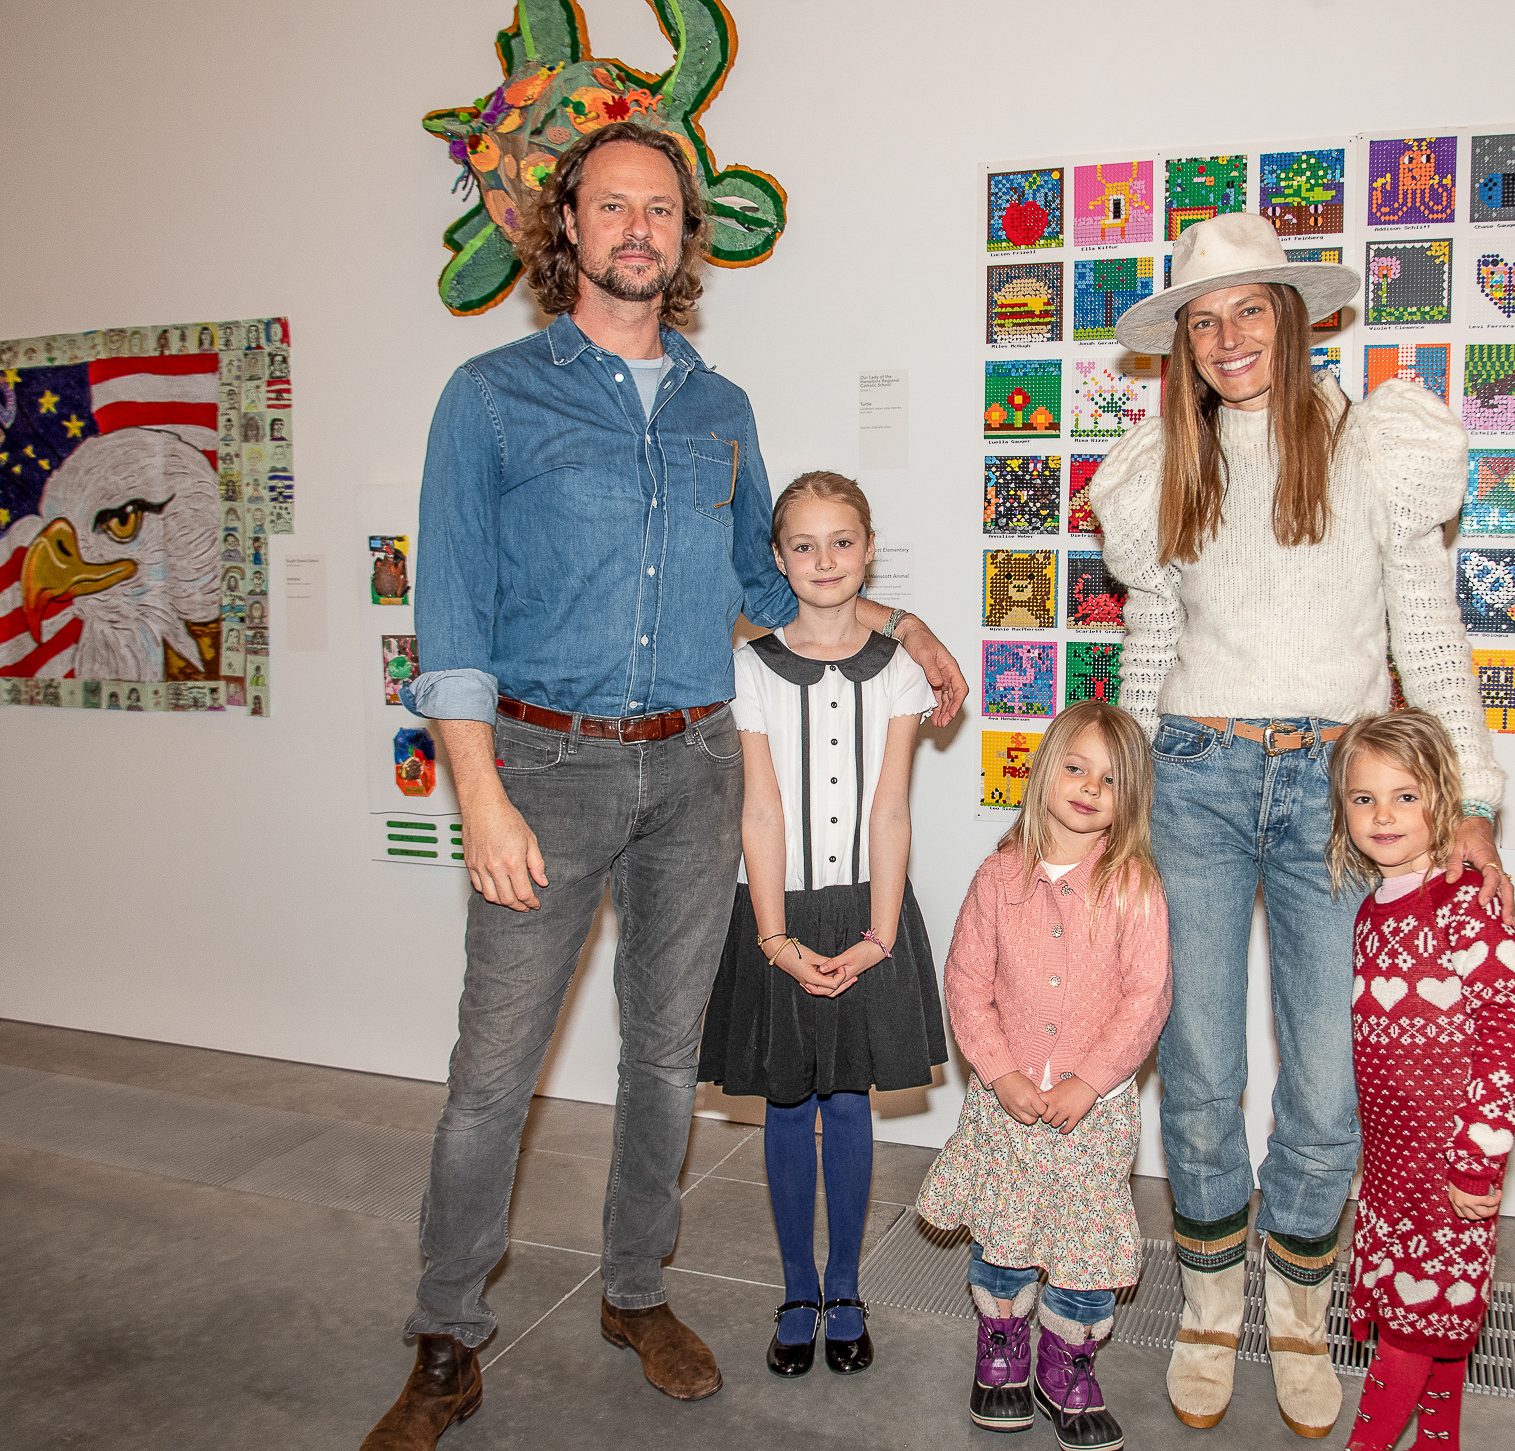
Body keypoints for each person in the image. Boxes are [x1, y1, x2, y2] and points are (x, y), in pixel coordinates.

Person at [365, 121, 963, 1451]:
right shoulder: (491, 393)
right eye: (614, 206)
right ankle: (448, 1331)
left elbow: (769, 586)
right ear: (567, 227)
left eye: (663, 211)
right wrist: (481, 791)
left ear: (688, 241)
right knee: (489, 1076)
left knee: (662, 1061)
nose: (639, 228)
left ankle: (636, 1289)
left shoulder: (720, 409)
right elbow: (449, 608)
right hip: (542, 767)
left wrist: (897, 620)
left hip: (695, 772)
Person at [1089, 212, 1513, 1438]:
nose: (1225, 338)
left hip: (1342, 790)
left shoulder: (1375, 442)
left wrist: (1469, 800)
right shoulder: (1169, 459)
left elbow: (1426, 634)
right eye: (1201, 320)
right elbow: (1152, 642)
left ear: (1297, 313)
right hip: (1199, 777)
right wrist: (1121, 786)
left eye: (1247, 311)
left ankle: (1298, 1302)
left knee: (1328, 1089)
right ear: (1181, 340)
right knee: (1204, 1074)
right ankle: (1212, 1300)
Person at [697, 471, 946, 1380]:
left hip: (866, 913)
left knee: (848, 1099)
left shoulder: (904, 668)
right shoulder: (750, 665)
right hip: (776, 913)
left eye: (842, 541)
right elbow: (758, 811)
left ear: (869, 549)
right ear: (777, 558)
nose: (824, 560)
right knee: (786, 1098)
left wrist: (880, 936)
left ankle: (846, 1286)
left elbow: (892, 810)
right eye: (802, 544)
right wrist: (772, 938)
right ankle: (796, 1288)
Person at [917, 700, 1171, 1451]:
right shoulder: (998, 879)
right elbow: (966, 983)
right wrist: (999, 1073)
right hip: (1009, 1107)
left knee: (1084, 1242)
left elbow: (1147, 995)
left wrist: (1090, 1080)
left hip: (1097, 1111)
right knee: (1006, 1232)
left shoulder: (1134, 886)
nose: (1090, 786)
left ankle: (1070, 1358)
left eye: (1111, 779)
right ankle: (1001, 1349)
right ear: (1044, 770)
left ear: (1131, 800)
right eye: (1076, 766)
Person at [1328, 712, 1515, 1451]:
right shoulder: (1370, 912)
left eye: (1405, 796)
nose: (1382, 815)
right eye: (1363, 798)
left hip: (1450, 1161)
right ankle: (1438, 1439)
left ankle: (1369, 1442)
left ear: (1444, 798)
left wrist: (1477, 1157)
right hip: (1391, 1164)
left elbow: (1509, 1039)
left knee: (1415, 1325)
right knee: (1430, 1315)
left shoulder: (1466, 903)